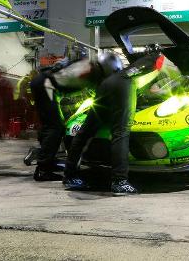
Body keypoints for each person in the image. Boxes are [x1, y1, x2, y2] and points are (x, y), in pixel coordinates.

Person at [63, 52, 164, 195]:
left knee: (85, 132)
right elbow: (158, 62)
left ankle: (69, 175)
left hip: (105, 86)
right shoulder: (140, 66)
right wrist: (156, 54)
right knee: (121, 133)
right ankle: (119, 181)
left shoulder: (111, 76)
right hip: (123, 84)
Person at [28, 47, 121, 181]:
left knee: (51, 125)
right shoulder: (91, 71)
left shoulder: (88, 65)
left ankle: (47, 160)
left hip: (44, 83)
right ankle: (43, 169)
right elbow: (100, 95)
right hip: (45, 85)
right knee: (55, 127)